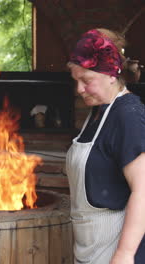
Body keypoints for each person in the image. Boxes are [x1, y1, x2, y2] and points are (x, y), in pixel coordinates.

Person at [66, 28, 144, 264]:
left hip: (118, 246)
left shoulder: (128, 116)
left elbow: (143, 190)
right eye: (76, 80)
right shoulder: (98, 113)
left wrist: (125, 254)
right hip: (91, 243)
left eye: (87, 80)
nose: (79, 89)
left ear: (111, 75)